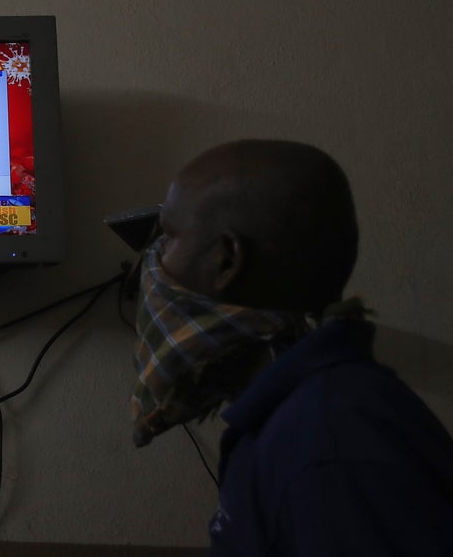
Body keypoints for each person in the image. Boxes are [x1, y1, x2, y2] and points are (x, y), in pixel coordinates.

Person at [129, 139, 453, 555]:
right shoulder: (293, 411)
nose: (154, 260)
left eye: (168, 235)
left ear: (226, 261)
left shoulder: (333, 448)